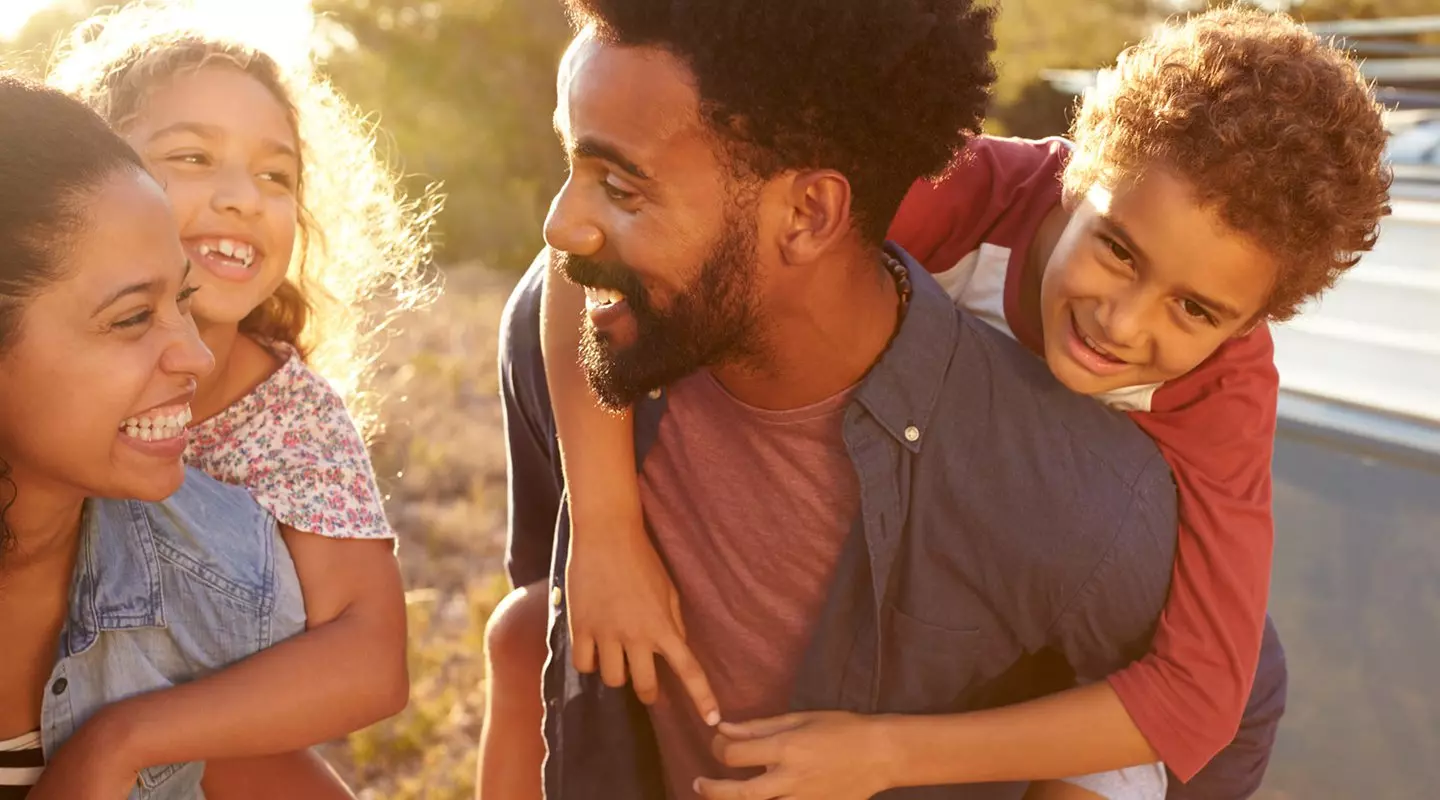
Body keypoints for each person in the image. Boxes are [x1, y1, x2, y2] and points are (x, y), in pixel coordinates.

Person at [488, 1, 1298, 798]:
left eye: (1194, 309)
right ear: (1079, 183)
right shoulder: (954, 192)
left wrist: (887, 756)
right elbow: (609, 227)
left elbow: (1210, 695)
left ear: (1252, 321)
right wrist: (605, 529)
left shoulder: (1196, 421)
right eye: (1117, 250)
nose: (1123, 322)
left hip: (1110, 682)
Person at [41, 1, 438, 793]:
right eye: (192, 157)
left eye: (275, 175)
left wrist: (126, 739)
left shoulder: (291, 417)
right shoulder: (33, 357)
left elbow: (370, 661)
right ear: (91, 172)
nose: (242, 199)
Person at [0, 72, 302, 800]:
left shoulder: (219, 572)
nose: (197, 356)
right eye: (133, 318)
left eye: (183, 301)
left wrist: (119, 745)